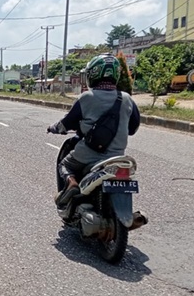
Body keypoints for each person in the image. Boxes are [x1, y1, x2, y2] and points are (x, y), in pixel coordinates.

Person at [47, 54, 140, 207]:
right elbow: (132, 129)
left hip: (88, 155)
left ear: (93, 74)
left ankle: (71, 186)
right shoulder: (127, 99)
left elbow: (67, 123)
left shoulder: (86, 97)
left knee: (65, 165)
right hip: (117, 157)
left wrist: (54, 128)